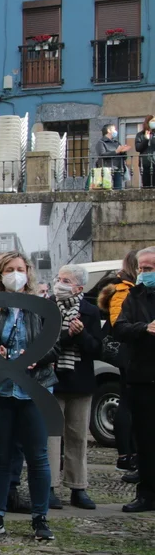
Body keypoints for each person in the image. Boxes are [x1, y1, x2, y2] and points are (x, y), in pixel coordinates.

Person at [0, 252, 59, 541]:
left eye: (20, 269)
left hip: (34, 389)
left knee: (38, 456)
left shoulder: (43, 307)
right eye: (9, 269)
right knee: (0, 455)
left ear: (28, 272)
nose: (15, 274)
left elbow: (56, 345)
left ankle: (40, 519)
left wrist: (37, 357)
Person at [47, 264, 102, 511]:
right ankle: (49, 486)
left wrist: (80, 335)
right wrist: (68, 335)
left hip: (80, 381)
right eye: (59, 279)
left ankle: (78, 487)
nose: (59, 284)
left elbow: (96, 348)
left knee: (78, 436)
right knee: (50, 436)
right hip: (53, 379)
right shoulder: (48, 307)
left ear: (79, 288)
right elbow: (45, 344)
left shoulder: (90, 311)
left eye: (66, 281)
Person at [114, 247, 155, 513]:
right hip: (142, 377)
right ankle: (147, 494)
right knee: (145, 440)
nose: (143, 273)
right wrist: (144, 328)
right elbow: (120, 327)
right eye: (141, 268)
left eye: (148, 269)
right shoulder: (135, 295)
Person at [98, 250, 139, 474]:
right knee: (127, 402)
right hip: (129, 353)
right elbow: (119, 323)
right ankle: (126, 454)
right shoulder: (122, 289)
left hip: (133, 354)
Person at [94, 123, 129, 191]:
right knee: (107, 189)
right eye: (114, 129)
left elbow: (124, 157)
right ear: (109, 130)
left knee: (118, 190)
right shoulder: (101, 142)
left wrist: (123, 152)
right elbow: (102, 155)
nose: (115, 131)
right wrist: (116, 151)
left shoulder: (116, 142)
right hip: (107, 170)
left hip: (118, 168)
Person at [135, 115, 155, 189]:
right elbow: (138, 148)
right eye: (153, 121)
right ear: (148, 122)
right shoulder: (140, 135)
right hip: (145, 163)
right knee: (147, 185)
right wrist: (146, 139)